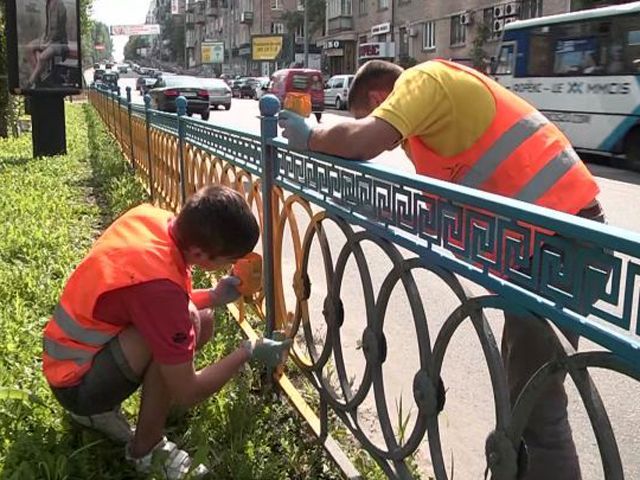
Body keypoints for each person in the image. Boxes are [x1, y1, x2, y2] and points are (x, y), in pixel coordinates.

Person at [279, 59, 606, 480]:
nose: (394, 139)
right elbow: (449, 206)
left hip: (560, 246)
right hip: (549, 247)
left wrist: (314, 137)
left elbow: (364, 140)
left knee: (538, 411)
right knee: (524, 394)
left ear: (380, 98)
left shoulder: (424, 80)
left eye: (372, 111)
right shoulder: (433, 128)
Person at [42, 185, 292, 479]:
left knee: (202, 318)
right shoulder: (159, 292)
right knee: (179, 330)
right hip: (77, 385)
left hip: (74, 356)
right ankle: (145, 450)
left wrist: (212, 296)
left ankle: (146, 405)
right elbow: (188, 392)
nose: (232, 267)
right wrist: (247, 351)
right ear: (200, 253)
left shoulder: (153, 219)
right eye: (229, 260)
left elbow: (151, 297)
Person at [26, 0, 69, 88]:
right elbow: (48, 27)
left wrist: (48, 43)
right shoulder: (48, 4)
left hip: (59, 42)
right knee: (29, 47)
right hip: (48, 38)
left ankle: (31, 82)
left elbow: (60, 30)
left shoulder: (60, 5)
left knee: (41, 57)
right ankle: (40, 79)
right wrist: (43, 39)